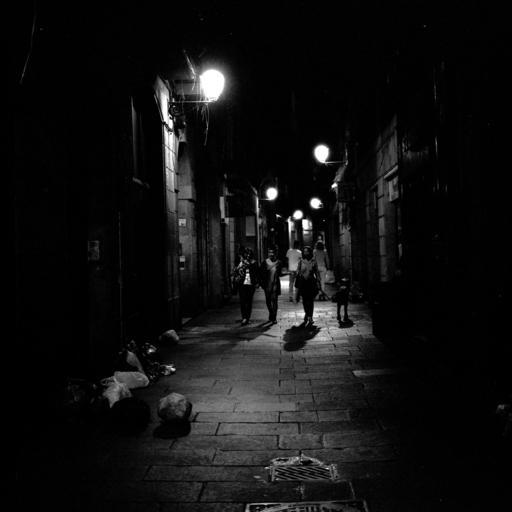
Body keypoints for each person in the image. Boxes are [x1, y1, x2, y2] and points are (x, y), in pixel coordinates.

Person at [295, 245, 321, 327]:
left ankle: (310, 316)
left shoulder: (313, 261)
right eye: (304, 251)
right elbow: (297, 270)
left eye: (307, 251)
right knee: (305, 300)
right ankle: (307, 313)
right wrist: (299, 273)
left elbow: (316, 272)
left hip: (311, 282)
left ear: (310, 252)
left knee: (310, 300)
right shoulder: (301, 261)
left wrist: (318, 281)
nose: (305, 253)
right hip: (303, 282)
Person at [231, 247, 259, 325]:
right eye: (246, 254)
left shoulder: (254, 263)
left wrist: (257, 282)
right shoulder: (241, 263)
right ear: (244, 254)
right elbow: (235, 271)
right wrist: (240, 267)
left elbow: (256, 273)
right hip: (242, 284)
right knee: (243, 301)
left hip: (250, 284)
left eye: (249, 254)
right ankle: (244, 318)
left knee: (249, 301)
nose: (248, 255)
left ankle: (247, 317)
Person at [259, 246, 283, 324]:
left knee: (275, 301)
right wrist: (261, 283)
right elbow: (261, 274)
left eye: (273, 252)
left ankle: (274, 317)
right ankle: (271, 312)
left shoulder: (279, 262)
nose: (271, 254)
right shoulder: (264, 262)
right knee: (268, 301)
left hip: (275, 284)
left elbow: (280, 273)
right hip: (267, 285)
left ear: (275, 253)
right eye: (270, 252)